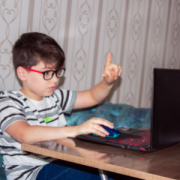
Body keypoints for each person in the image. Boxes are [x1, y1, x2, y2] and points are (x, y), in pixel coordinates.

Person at [0, 32, 122, 180]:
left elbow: (92, 96)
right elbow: (25, 134)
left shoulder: (55, 97)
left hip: (58, 164)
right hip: (31, 174)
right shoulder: (8, 102)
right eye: (47, 73)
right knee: (93, 170)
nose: (55, 80)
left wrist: (107, 83)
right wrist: (76, 130)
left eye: (57, 72)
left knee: (114, 168)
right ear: (22, 73)